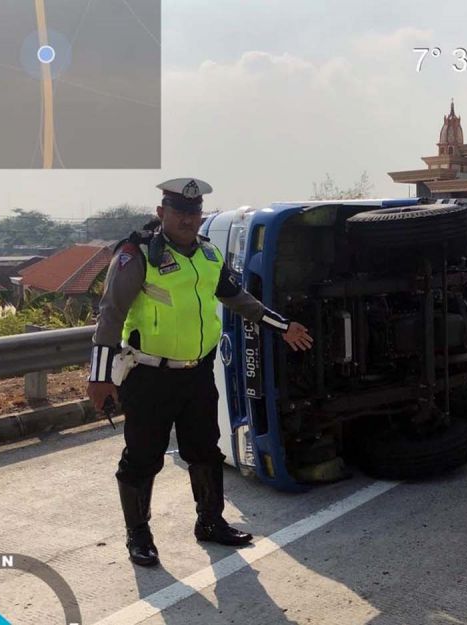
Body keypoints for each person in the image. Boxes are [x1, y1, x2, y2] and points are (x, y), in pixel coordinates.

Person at [86, 178, 314, 567]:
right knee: (142, 457)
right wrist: (100, 376)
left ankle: (210, 522)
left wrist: (282, 326)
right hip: (148, 375)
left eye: (194, 213)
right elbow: (111, 314)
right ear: (162, 214)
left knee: (205, 450)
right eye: (179, 212)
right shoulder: (137, 253)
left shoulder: (208, 255)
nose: (188, 220)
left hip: (196, 374)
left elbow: (238, 299)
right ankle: (138, 536)